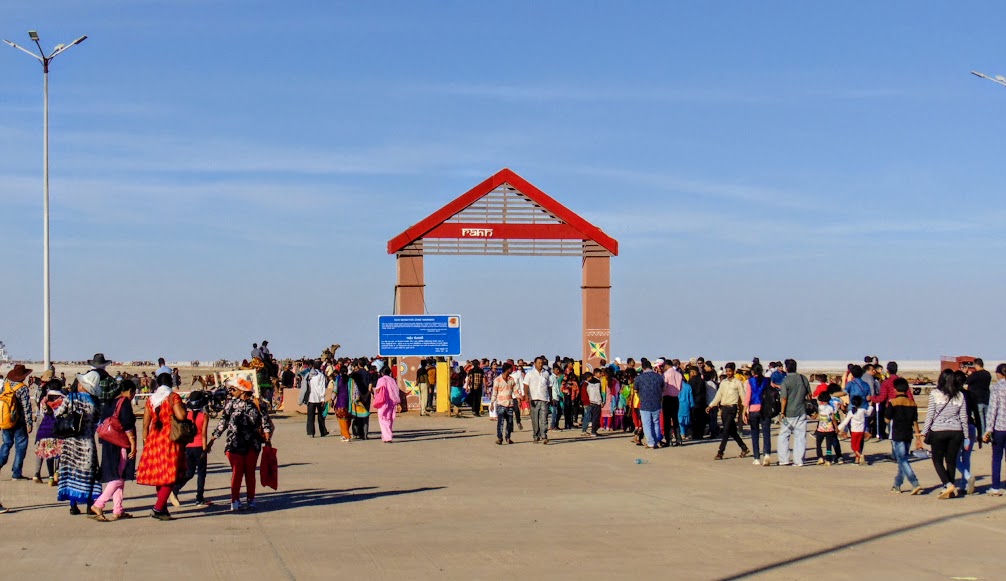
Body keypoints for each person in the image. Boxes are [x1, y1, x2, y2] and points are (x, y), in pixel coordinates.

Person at [208, 378, 273, 511]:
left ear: (242, 391)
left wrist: (268, 441)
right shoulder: (230, 404)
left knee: (250, 472)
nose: (231, 392)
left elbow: (265, 423)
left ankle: (251, 499)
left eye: (233, 389)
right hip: (234, 444)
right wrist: (212, 440)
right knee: (237, 472)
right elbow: (223, 422)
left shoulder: (257, 403)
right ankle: (235, 500)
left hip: (252, 444)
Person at [136, 373, 187, 520]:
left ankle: (163, 509)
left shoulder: (151, 400)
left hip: (154, 438)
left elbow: (145, 424)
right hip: (169, 437)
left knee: (160, 474)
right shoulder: (173, 397)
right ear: (171, 383)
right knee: (171, 474)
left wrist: (145, 442)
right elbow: (181, 416)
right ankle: (158, 508)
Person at [55, 372, 103, 515]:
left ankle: (73, 505)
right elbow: (97, 422)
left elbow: (58, 413)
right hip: (87, 442)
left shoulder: (71, 397)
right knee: (89, 474)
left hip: (70, 441)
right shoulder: (95, 402)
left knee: (71, 472)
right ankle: (89, 505)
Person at [91, 379, 138, 521]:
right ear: (129, 391)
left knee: (118, 475)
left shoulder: (110, 402)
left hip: (109, 441)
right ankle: (99, 504)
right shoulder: (124, 403)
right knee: (119, 476)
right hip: (120, 443)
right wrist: (133, 443)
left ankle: (118, 509)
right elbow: (127, 424)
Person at [921, 369, 970, 499]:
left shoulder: (935, 394)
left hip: (939, 430)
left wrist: (924, 431)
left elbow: (930, 415)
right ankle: (949, 490)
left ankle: (947, 484)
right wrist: (966, 436)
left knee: (937, 460)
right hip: (956, 431)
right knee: (951, 461)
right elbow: (963, 417)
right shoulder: (960, 395)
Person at [172, 390, 212, 508]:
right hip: (199, 446)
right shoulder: (204, 416)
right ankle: (199, 498)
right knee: (201, 474)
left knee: (189, 473)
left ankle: (175, 488)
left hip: (188, 447)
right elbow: (203, 435)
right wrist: (205, 449)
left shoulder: (187, 415)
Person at [885, 378, 924, 495]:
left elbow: (887, 419)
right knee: (903, 461)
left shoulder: (893, 402)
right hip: (908, 434)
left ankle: (914, 482)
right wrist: (918, 438)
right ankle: (897, 485)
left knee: (902, 460)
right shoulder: (912, 403)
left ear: (896, 389)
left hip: (897, 434)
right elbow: (915, 422)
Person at [707, 362, 750, 461]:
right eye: (727, 371)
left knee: (726, 430)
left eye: (730, 371)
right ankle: (744, 448)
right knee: (732, 431)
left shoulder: (737, 383)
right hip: (724, 409)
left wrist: (745, 410)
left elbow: (743, 397)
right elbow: (718, 396)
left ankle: (720, 452)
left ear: (733, 371)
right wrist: (711, 405)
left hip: (732, 408)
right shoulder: (723, 383)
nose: (728, 373)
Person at [1, 364, 35, 481]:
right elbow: (26, 407)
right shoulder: (22, 388)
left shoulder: (5, 385)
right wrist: (29, 423)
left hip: (5, 419)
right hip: (19, 422)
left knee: (6, 443)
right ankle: (16, 472)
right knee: (20, 446)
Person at [777, 359, 810, 467]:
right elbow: (809, 395)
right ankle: (799, 460)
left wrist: (782, 412)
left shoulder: (785, 381)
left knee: (783, 435)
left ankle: (784, 459)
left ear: (786, 368)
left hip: (788, 414)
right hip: (801, 412)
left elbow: (784, 398)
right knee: (800, 436)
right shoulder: (803, 378)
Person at [956, 369, 982, 495]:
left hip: (959, 428)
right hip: (971, 426)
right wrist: (980, 433)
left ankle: (967, 477)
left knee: (954, 458)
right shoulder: (970, 394)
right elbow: (976, 415)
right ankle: (964, 485)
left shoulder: (954, 396)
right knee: (966, 457)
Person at [33, 380, 63, 485]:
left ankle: (50, 477)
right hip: (59, 429)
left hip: (46, 428)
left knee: (49, 453)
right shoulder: (63, 399)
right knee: (59, 452)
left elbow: (42, 413)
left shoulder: (44, 400)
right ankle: (57, 472)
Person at [982, 363, 1006, 496]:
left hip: (999, 428)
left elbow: (992, 409)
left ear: (998, 374)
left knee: (997, 458)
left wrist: (988, 429)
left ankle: (995, 487)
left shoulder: (996, 388)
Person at [744, 362, 774, 466]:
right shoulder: (767, 380)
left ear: (752, 372)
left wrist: (744, 411)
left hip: (753, 409)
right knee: (766, 433)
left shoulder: (750, 381)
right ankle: (767, 454)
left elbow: (748, 396)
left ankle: (756, 457)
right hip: (765, 409)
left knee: (755, 434)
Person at [636, 359, 664, 449]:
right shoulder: (659, 377)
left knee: (647, 424)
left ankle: (651, 442)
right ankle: (657, 441)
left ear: (643, 368)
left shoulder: (639, 378)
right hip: (657, 403)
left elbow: (636, 390)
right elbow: (663, 388)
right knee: (656, 423)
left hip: (644, 403)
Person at [838, 396, 872, 465]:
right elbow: (868, 413)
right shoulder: (863, 410)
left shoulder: (851, 412)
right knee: (858, 445)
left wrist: (838, 428)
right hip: (861, 431)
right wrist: (871, 406)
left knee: (853, 446)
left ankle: (860, 456)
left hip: (854, 431)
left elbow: (845, 422)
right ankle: (857, 458)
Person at [524, 357, 550, 444]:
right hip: (534, 399)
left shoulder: (546, 373)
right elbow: (526, 385)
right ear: (534, 363)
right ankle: (536, 436)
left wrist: (550, 397)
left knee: (544, 418)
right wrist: (526, 395)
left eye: (542, 363)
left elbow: (549, 386)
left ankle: (544, 436)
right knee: (535, 419)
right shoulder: (530, 374)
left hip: (544, 399)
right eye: (539, 363)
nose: (540, 364)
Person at [301, 360, 329, 438]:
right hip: (319, 399)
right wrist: (322, 398)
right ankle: (323, 431)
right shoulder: (321, 375)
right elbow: (322, 388)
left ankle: (311, 432)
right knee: (321, 416)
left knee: (310, 417)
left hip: (310, 398)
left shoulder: (309, 375)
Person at [491, 363, 517, 445]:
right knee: (500, 422)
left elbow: (515, 390)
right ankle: (500, 438)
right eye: (511, 369)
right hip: (500, 404)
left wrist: (519, 398)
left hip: (510, 403)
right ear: (507, 369)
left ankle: (508, 437)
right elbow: (494, 392)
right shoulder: (497, 380)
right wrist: (492, 403)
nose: (512, 370)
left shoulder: (511, 379)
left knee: (510, 422)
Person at [374, 366, 400, 443]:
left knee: (382, 419)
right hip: (392, 402)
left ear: (382, 372)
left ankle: (387, 436)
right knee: (389, 419)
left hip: (383, 402)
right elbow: (396, 391)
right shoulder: (392, 380)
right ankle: (386, 435)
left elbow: (378, 390)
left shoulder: (381, 380)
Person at [966, 358, 992, 435]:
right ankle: (988, 435)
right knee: (986, 419)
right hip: (986, 399)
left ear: (977, 365)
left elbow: (967, 381)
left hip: (977, 400)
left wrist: (968, 374)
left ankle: (982, 435)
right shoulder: (987, 374)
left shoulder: (975, 375)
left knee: (980, 420)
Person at [660, 359, 683, 447]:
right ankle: (678, 438)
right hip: (675, 398)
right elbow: (680, 388)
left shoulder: (665, 375)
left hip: (667, 398)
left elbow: (664, 387)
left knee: (667, 420)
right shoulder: (679, 374)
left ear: (666, 365)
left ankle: (668, 439)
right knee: (675, 418)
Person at [813, 392, 840, 466]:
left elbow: (815, 416)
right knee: (828, 445)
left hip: (821, 428)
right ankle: (828, 459)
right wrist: (836, 428)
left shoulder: (820, 407)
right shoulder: (830, 408)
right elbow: (833, 419)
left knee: (818, 444)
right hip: (829, 428)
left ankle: (820, 457)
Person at [332, 366, 352, 442]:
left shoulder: (338, 379)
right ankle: (344, 434)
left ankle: (346, 435)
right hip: (349, 402)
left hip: (340, 402)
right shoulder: (350, 379)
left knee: (341, 419)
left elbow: (335, 390)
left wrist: (332, 399)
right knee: (348, 418)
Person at [580, 372, 602, 438]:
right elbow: (597, 393)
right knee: (591, 417)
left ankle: (585, 430)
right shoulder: (588, 384)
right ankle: (591, 431)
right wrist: (600, 401)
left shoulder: (585, 384)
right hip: (590, 402)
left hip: (589, 402)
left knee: (588, 416)